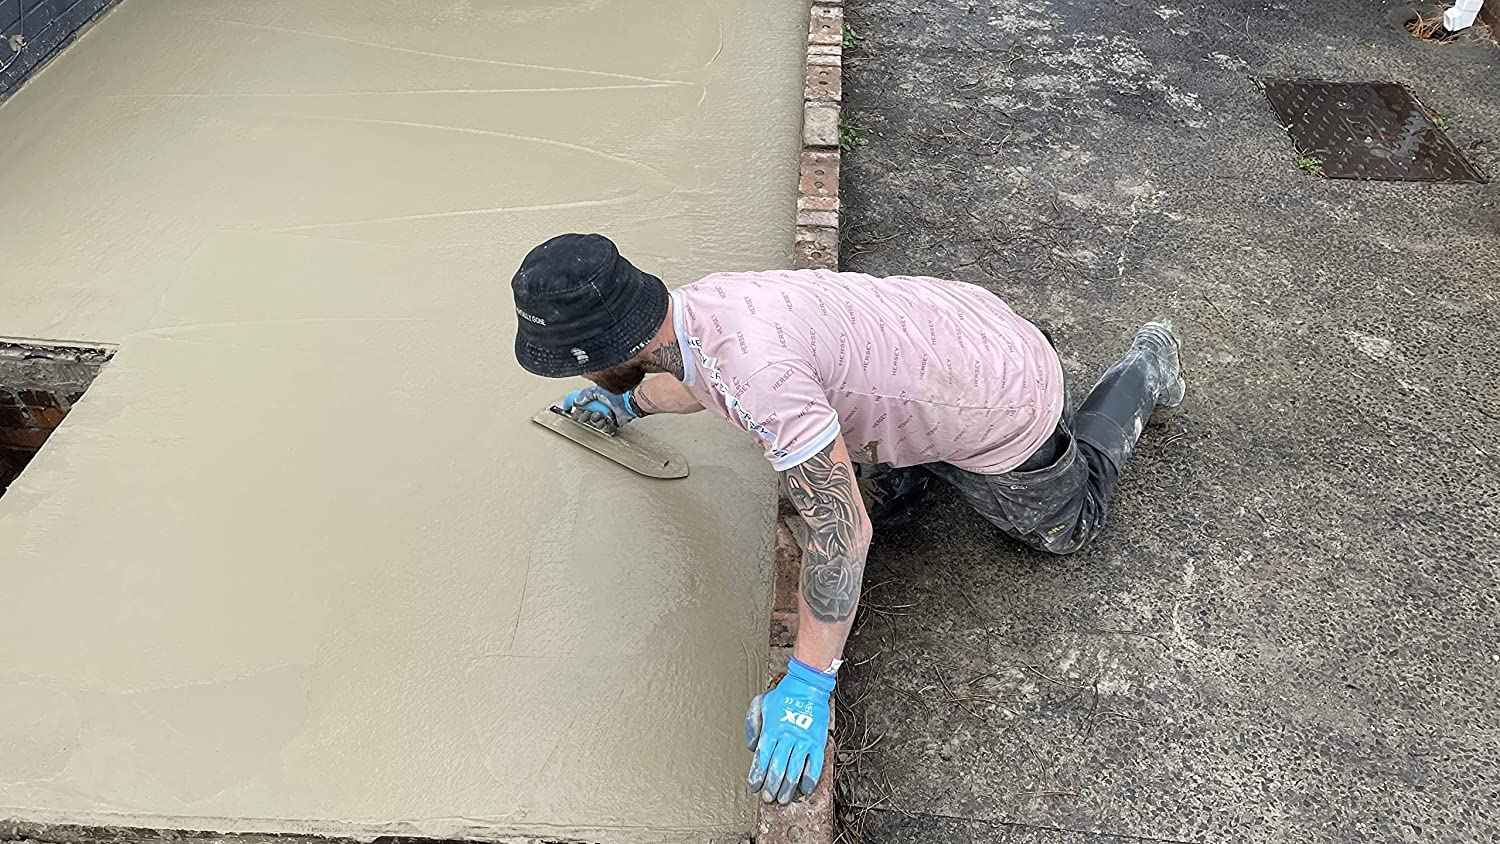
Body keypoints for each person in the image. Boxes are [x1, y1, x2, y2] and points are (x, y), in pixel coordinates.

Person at [509, 233, 1185, 805]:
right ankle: (929, 453)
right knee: (877, 486)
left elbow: (841, 534)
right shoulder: (699, 308)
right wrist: (628, 407)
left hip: (1006, 397)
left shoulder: (760, 378)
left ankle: (1143, 368)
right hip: (955, 326)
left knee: (1065, 528)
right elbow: (698, 380)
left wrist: (809, 682)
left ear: (604, 357)